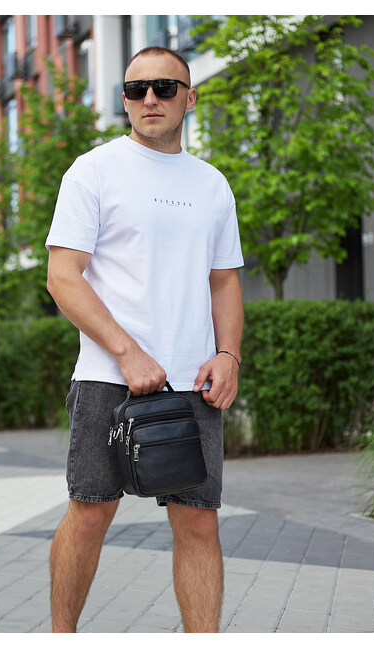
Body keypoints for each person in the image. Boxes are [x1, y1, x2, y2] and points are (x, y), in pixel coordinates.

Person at [45, 45, 244, 633]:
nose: (149, 98)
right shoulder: (93, 170)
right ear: (125, 101)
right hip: (109, 379)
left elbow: (224, 280)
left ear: (190, 96)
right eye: (136, 90)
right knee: (90, 513)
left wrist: (229, 354)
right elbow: (63, 277)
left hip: (193, 383)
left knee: (199, 520)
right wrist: (128, 353)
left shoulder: (212, 184)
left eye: (164, 87)